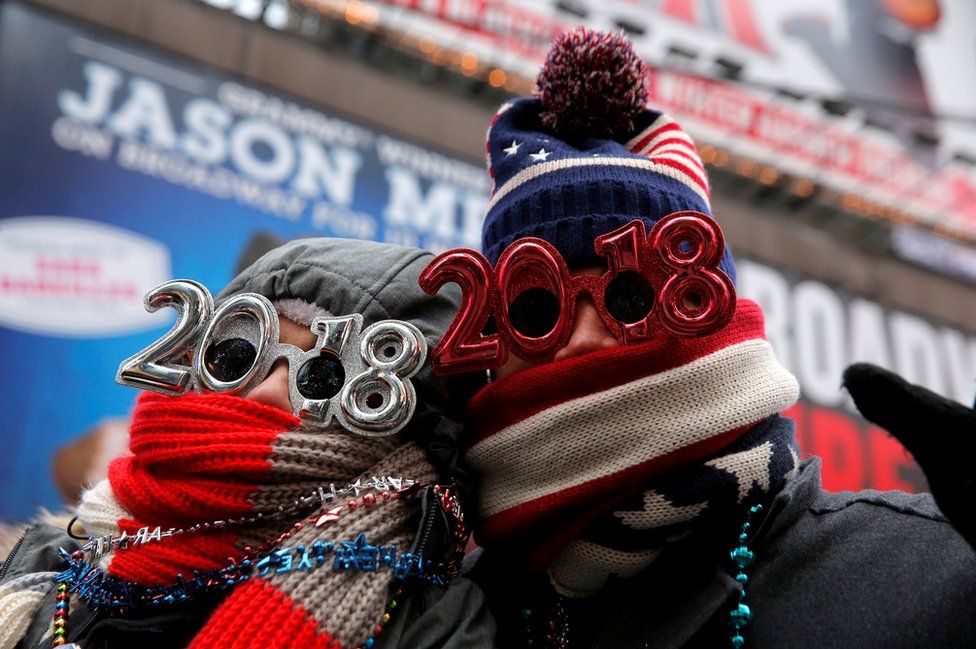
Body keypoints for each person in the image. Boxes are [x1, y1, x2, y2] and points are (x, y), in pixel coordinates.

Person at [446, 27, 976, 648]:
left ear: (708, 307)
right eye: (536, 307)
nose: (583, 341)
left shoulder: (928, 573)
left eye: (633, 298)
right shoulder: (431, 609)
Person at [0, 238, 496, 649]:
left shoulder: (432, 626)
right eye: (241, 356)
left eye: (326, 376)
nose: (266, 391)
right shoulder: (57, 559)